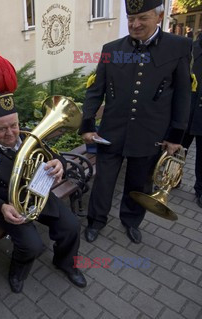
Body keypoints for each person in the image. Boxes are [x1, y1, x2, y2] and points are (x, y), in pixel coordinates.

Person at [0, 50, 87, 293]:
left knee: (71, 226)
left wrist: (60, 165)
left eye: (14, 125)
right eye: (2, 129)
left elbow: (53, 155)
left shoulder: (28, 135)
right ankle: (18, 270)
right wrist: (2, 207)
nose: (11, 133)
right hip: (11, 205)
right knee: (31, 246)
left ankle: (65, 263)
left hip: (39, 194)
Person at [79, 0, 192, 244]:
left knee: (139, 181)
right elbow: (95, 91)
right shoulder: (111, 49)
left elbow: (183, 94)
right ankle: (96, 221)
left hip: (152, 132)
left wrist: (176, 136)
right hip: (111, 131)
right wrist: (87, 124)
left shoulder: (179, 47)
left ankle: (130, 221)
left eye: (143, 18)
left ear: (159, 17)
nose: (135, 24)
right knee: (103, 181)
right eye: (131, 19)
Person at [182, 36, 202, 208]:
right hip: (187, 111)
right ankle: (172, 180)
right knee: (179, 149)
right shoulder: (190, 48)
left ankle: (200, 190)